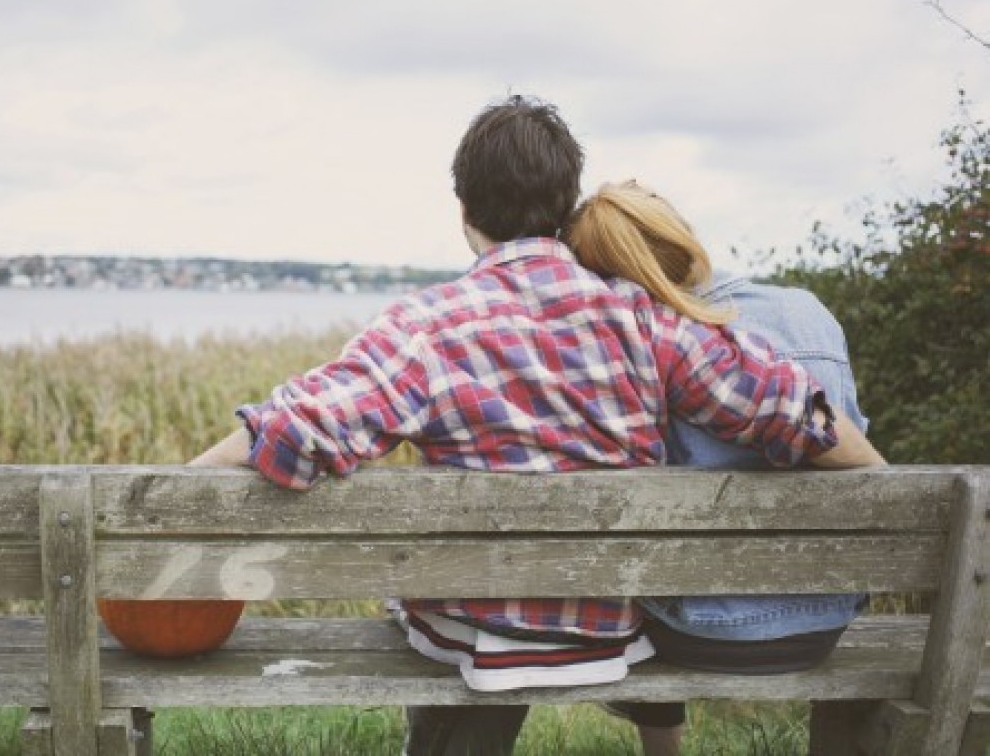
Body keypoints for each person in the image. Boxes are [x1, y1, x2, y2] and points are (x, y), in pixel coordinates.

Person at [190, 96, 885, 756]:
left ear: (465, 210)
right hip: (604, 630)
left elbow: (300, 427)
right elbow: (792, 412)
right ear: (563, 206)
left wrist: (178, 487)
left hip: (474, 634)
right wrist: (885, 484)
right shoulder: (641, 317)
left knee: (431, 607)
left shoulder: (425, 327)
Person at [564, 179, 872, 756]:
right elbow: (860, 455)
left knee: (635, 571)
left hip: (696, 630)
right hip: (826, 622)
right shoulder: (807, 312)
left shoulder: (648, 338)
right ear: (679, 233)